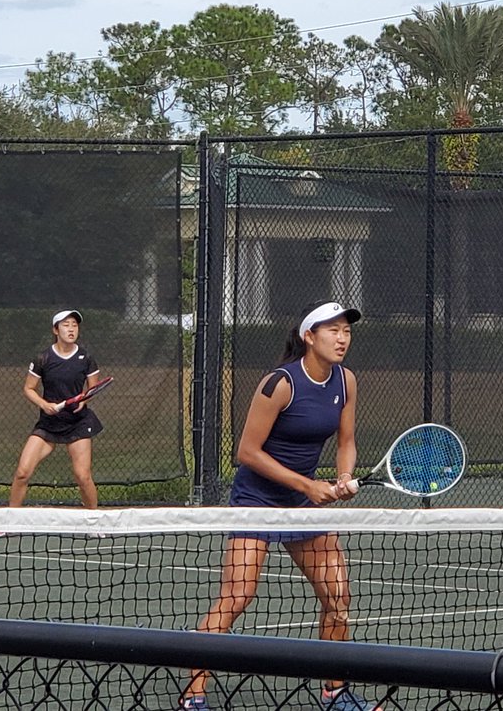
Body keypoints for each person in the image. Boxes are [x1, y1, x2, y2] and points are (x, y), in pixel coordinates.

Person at [180, 300, 380, 711]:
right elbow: (247, 452)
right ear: (309, 336)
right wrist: (308, 484)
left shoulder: (347, 381)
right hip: (257, 498)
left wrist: (343, 477)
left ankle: (335, 690)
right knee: (238, 595)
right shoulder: (280, 384)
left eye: (346, 331)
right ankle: (193, 695)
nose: (342, 339)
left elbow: (345, 441)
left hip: (302, 501)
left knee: (338, 595)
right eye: (333, 331)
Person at [9, 309, 103, 509]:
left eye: (74, 325)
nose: (71, 329)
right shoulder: (43, 358)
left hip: (78, 423)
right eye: (66, 325)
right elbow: (29, 388)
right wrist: (44, 404)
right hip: (49, 423)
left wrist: (84, 401)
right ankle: (10, 520)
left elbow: (92, 388)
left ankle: (95, 521)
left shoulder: (86, 358)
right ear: (55, 329)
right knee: (22, 472)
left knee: (82, 476)